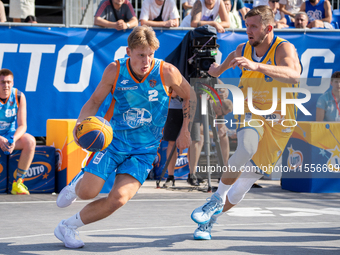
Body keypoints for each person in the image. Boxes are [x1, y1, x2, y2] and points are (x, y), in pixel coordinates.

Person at [54, 26, 194, 249]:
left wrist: (185, 129)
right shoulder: (115, 70)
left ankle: (67, 226)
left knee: (118, 199)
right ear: (128, 51)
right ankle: (76, 184)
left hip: (144, 150)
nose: (146, 60)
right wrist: (80, 124)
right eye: (140, 55)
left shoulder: (167, 72)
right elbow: (94, 101)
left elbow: (190, 96)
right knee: (88, 192)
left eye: (150, 54)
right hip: (113, 142)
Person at [190, 5, 301, 240]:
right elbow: (231, 58)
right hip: (250, 111)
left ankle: (209, 221)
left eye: (253, 27)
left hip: (280, 122)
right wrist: (218, 68)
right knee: (246, 147)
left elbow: (294, 74)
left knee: (243, 187)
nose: (248, 31)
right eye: (247, 25)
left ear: (268, 28)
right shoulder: (243, 48)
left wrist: (257, 66)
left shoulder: (284, 48)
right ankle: (216, 198)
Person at [0, 69, 36, 195]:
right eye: (3, 82)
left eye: (9, 82)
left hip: (9, 136)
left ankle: (18, 183)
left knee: (30, 141)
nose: (6, 86)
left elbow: (22, 125)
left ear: (13, 82)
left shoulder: (19, 96)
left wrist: (13, 139)